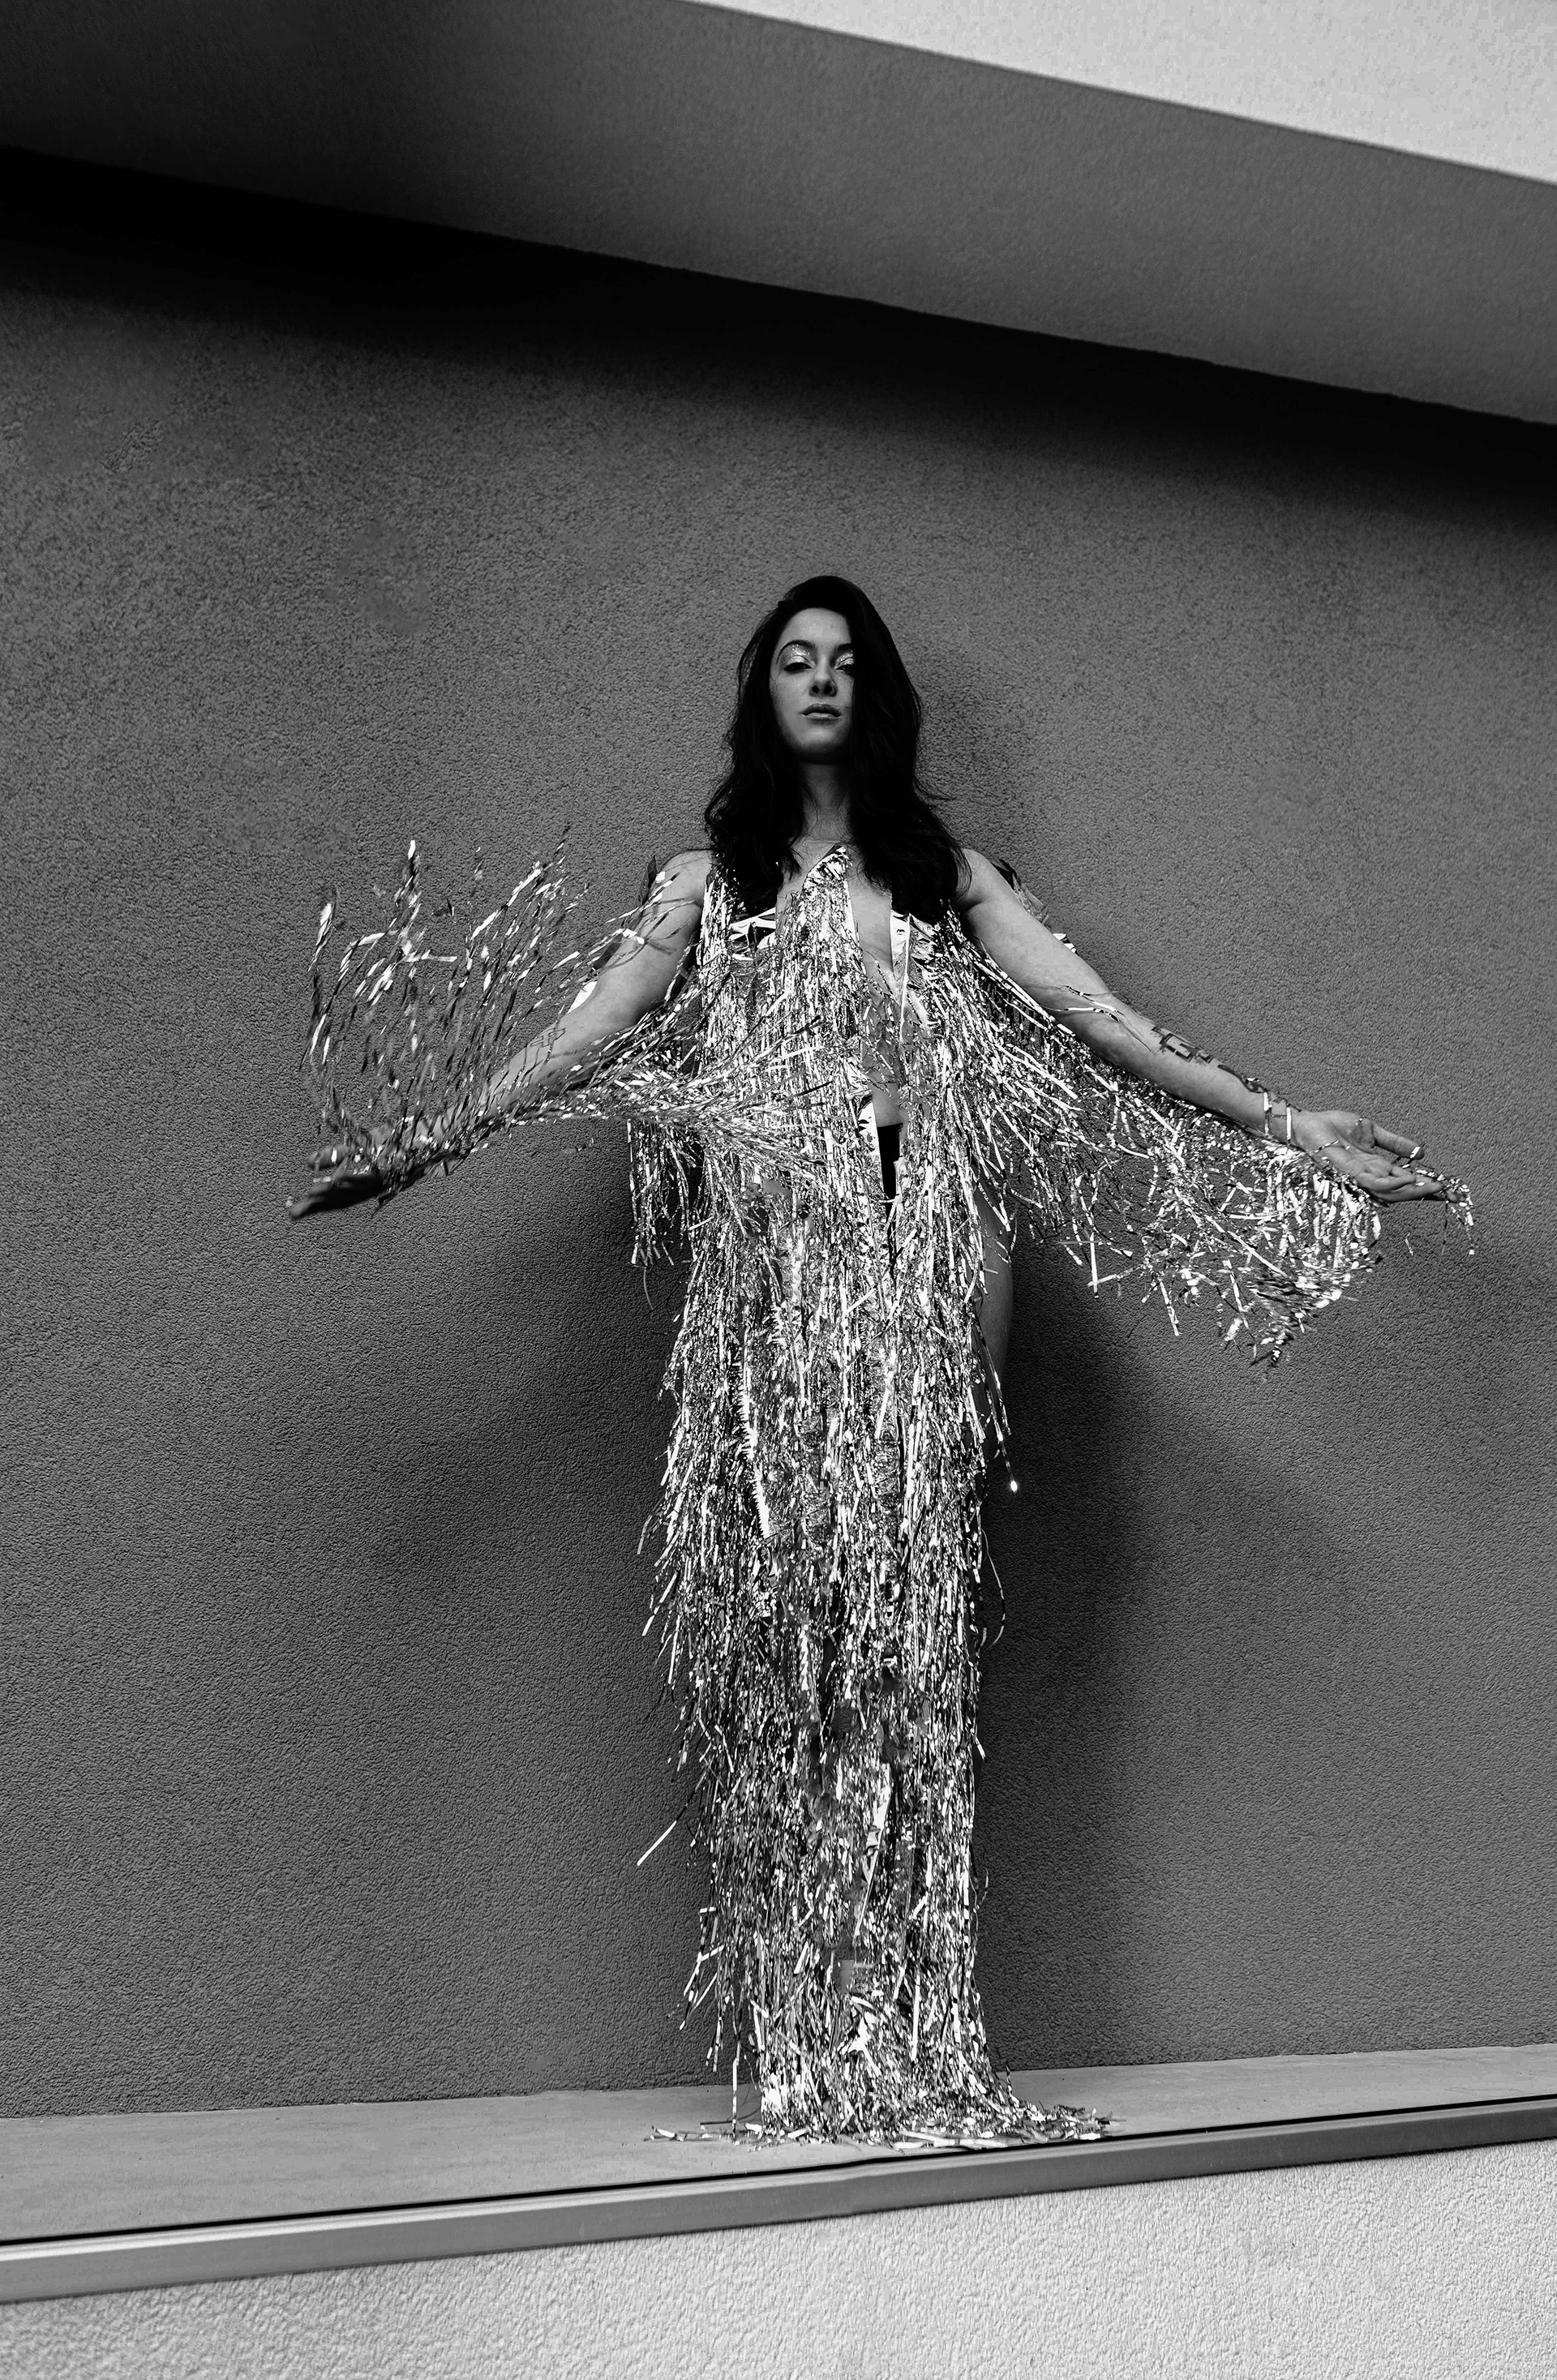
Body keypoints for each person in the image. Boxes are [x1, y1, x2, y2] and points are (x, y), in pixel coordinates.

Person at [290, 575, 1459, 2145]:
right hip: (778, 1281)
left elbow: (1104, 1021)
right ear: (763, 692)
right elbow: (587, 1036)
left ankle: (917, 2038)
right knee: (787, 1635)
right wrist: (428, 1140)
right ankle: (810, 2040)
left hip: (923, 1259)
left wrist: (1287, 1124)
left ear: (877, 693)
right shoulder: (702, 887)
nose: (822, 679)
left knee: (910, 1634)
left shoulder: (946, 883)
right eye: (796, 659)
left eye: (845, 661)